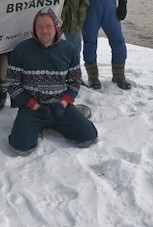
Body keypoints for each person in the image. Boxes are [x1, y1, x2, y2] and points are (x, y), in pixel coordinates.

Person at [6, 8, 98, 155]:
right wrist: (34, 106)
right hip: (32, 108)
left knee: (88, 138)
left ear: (56, 27)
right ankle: (35, 126)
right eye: (40, 27)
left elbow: (75, 80)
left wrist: (63, 103)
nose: (44, 31)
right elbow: (12, 83)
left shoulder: (68, 49)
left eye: (48, 26)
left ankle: (76, 114)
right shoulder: (22, 49)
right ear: (34, 29)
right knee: (20, 147)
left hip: (60, 107)